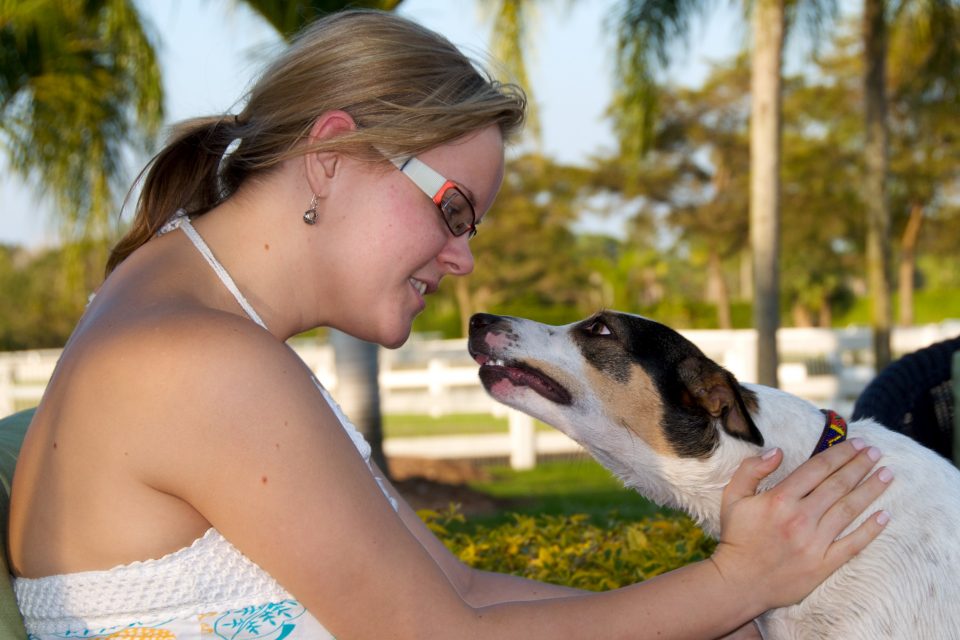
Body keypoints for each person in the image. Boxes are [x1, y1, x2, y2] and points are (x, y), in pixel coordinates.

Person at [7, 9, 892, 640]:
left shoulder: (185, 318)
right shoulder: (199, 359)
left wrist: (722, 610)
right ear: (331, 158)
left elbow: (457, 591)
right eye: (455, 211)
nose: (462, 258)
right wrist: (737, 581)